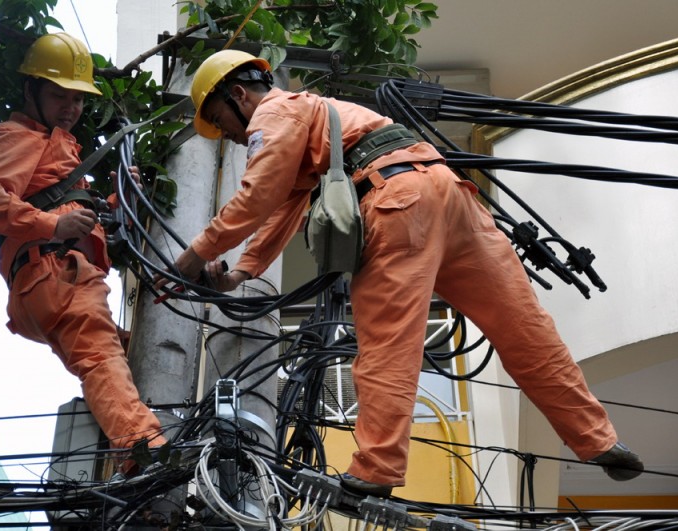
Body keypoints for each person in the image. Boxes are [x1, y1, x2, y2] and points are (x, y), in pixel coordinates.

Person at [153, 50, 644, 496]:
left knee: (388, 345)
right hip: (452, 197)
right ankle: (596, 440)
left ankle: (377, 469)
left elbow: (258, 194)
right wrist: (240, 273)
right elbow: (283, 208)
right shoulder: (323, 112)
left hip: (397, 203)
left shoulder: (273, 114)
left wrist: (189, 258)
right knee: (525, 328)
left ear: (239, 94)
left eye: (223, 121)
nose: (235, 136)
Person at [0, 33, 165, 475]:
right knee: (100, 359)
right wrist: (52, 225)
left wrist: (116, 200)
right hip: (55, 271)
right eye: (60, 95)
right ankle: (145, 451)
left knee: (130, 354)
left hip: (48, 281)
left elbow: (67, 208)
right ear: (30, 90)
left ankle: (128, 454)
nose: (71, 108)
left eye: (78, 99)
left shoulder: (56, 146)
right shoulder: (14, 136)